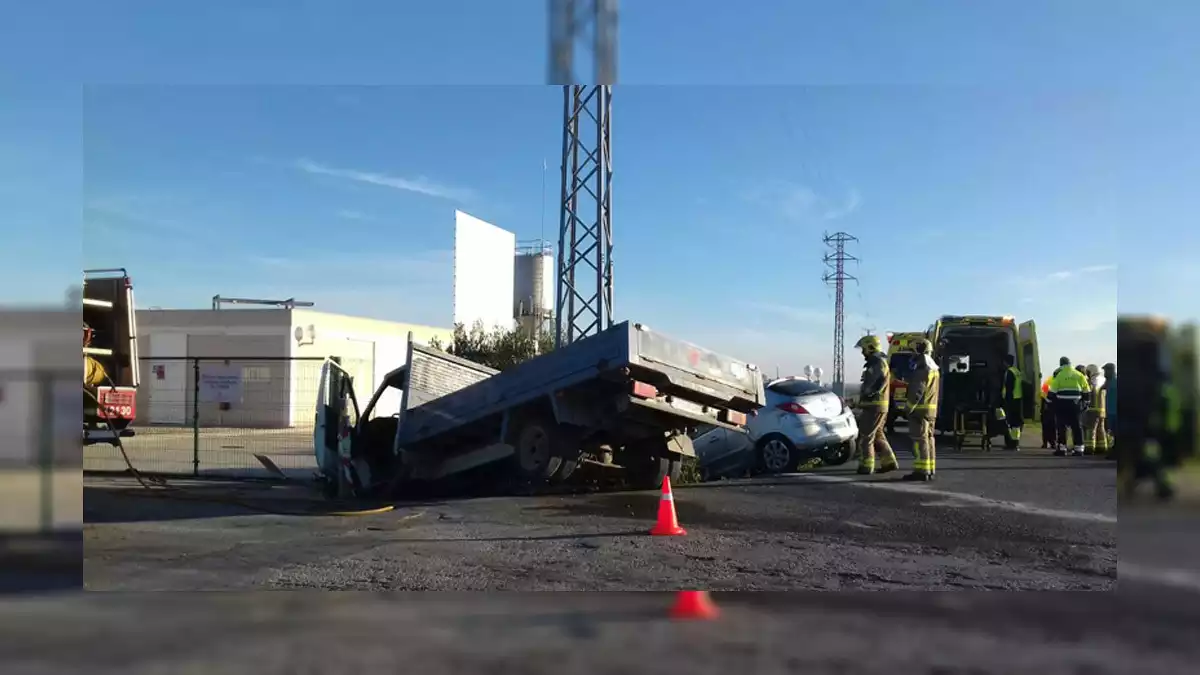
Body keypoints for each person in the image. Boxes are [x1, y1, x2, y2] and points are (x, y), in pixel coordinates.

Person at [853, 334, 899, 475]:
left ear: (871, 347)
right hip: (879, 406)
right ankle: (889, 462)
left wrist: (864, 397)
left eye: (864, 349)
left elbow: (872, 386)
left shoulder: (877, 363)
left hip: (874, 406)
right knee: (878, 435)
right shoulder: (880, 362)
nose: (862, 352)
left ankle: (866, 466)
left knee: (866, 436)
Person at [904, 338, 940, 481]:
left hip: (920, 411)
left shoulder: (921, 369)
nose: (912, 355)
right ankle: (929, 468)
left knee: (920, 440)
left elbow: (917, 391)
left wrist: (908, 407)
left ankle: (921, 470)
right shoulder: (934, 369)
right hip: (931, 411)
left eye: (913, 351)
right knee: (929, 439)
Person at [1048, 356, 1091, 456]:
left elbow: (1052, 392)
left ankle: (1062, 449)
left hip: (1062, 405)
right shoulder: (1079, 375)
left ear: (1061, 364)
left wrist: (1051, 404)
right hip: (1076, 405)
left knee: (1061, 427)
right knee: (1077, 426)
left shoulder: (1059, 375)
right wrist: (1085, 403)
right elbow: (1087, 391)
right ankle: (1079, 449)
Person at [1083, 364, 1109, 456]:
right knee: (1101, 429)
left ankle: (1090, 448)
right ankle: (1102, 447)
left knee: (1091, 429)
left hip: (1093, 409)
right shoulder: (1103, 380)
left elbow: (1088, 392)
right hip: (1102, 409)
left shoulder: (1092, 381)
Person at [1001, 354, 1024, 450]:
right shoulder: (1017, 371)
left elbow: (1009, 387)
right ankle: (1015, 443)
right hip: (1018, 399)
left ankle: (1010, 444)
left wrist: (1005, 400)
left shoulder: (1009, 372)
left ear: (1006, 362)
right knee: (1016, 424)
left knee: (1009, 423)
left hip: (1011, 400)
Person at [1102, 362, 1116, 457]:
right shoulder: (1110, 381)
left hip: (1115, 412)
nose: (1104, 373)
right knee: (1113, 432)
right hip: (1110, 412)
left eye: (1106, 371)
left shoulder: (1115, 381)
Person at [1040, 375, 1057, 448]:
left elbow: (1043, 393)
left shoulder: (1048, 380)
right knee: (1053, 426)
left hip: (1046, 405)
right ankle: (1053, 443)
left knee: (1045, 426)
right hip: (1052, 405)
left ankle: (1045, 443)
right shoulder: (1058, 380)